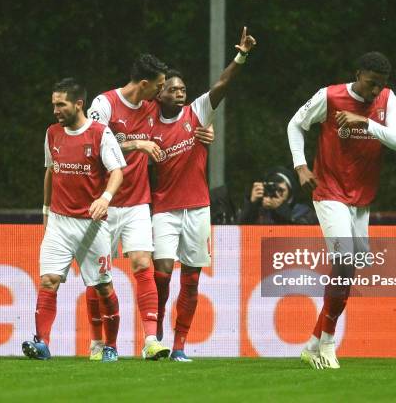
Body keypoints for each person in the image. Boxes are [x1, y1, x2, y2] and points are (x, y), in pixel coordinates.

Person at [287, 51, 396, 369]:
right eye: (370, 84)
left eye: (379, 86)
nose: (373, 92)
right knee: (344, 262)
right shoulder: (329, 96)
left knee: (349, 268)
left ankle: (313, 344)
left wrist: (366, 123)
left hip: (361, 200)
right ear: (358, 74)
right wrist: (300, 166)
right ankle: (328, 343)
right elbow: (295, 125)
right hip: (329, 192)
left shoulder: (387, 98)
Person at [151, 27, 256, 361]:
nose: (180, 92)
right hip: (163, 209)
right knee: (162, 273)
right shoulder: (147, 123)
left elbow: (221, 86)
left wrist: (240, 56)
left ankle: (180, 346)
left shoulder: (197, 113)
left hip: (197, 209)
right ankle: (154, 335)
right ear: (160, 94)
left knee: (192, 279)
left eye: (182, 88)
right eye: (172, 89)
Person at [22, 78, 126, 360]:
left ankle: (111, 346)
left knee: (103, 287)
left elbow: (117, 171)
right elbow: (50, 171)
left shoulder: (100, 134)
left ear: (78, 104)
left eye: (61, 104)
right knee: (48, 281)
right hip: (58, 221)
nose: (55, 109)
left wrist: (105, 198)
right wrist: (45, 210)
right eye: (53, 104)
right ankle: (41, 343)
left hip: (92, 225)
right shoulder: (52, 133)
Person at [84, 54, 170, 361]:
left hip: (137, 202)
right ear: (144, 84)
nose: (162, 92)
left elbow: (181, 121)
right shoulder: (104, 103)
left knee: (142, 264)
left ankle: (150, 341)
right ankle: (97, 342)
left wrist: (203, 134)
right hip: (103, 202)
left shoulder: (152, 107)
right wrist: (137, 144)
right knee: (99, 276)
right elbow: (90, 143)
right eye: (158, 86)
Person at [239, 166, 316, 225]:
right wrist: (251, 205)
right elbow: (236, 232)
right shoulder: (258, 212)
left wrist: (282, 210)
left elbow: (304, 236)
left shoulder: (303, 212)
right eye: (271, 188)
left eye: (280, 190)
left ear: (290, 192)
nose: (275, 193)